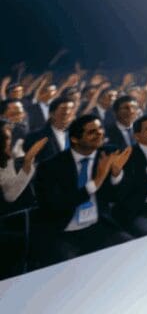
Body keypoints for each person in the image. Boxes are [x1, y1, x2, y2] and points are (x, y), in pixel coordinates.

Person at [31, 113, 133, 266]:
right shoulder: (50, 167)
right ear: (75, 139)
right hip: (64, 232)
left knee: (129, 248)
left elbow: (118, 198)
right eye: (92, 132)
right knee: (74, 269)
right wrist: (95, 182)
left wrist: (116, 174)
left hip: (98, 227)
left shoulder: (108, 154)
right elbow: (54, 207)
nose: (99, 133)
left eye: (100, 129)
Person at [24, 96, 75, 165]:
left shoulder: (77, 135)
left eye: (71, 109)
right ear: (52, 114)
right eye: (64, 109)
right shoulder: (35, 137)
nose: (68, 112)